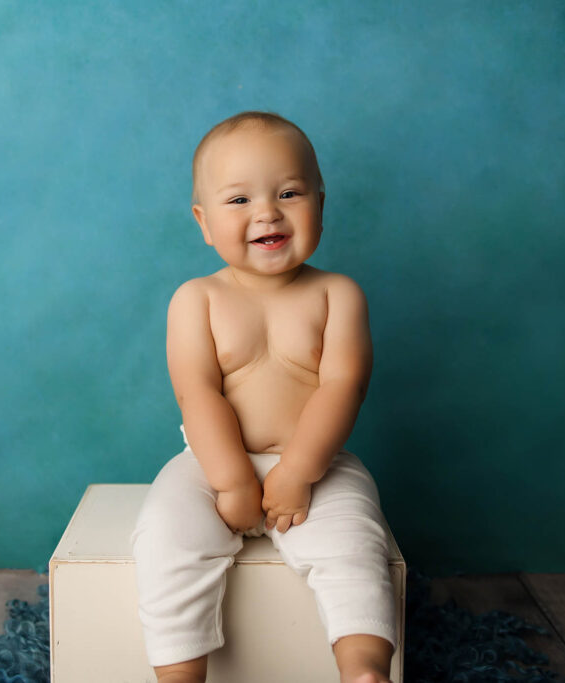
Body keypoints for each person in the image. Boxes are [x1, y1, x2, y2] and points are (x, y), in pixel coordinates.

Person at [131, 111, 397, 683]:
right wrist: (229, 479)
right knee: (164, 535)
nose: (267, 212)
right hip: (212, 465)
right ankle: (179, 676)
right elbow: (197, 392)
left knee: (354, 545)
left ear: (320, 203)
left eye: (289, 192)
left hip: (316, 466)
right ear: (203, 223)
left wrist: (300, 469)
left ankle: (364, 669)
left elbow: (342, 384)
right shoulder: (195, 299)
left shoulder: (337, 295)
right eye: (238, 200)